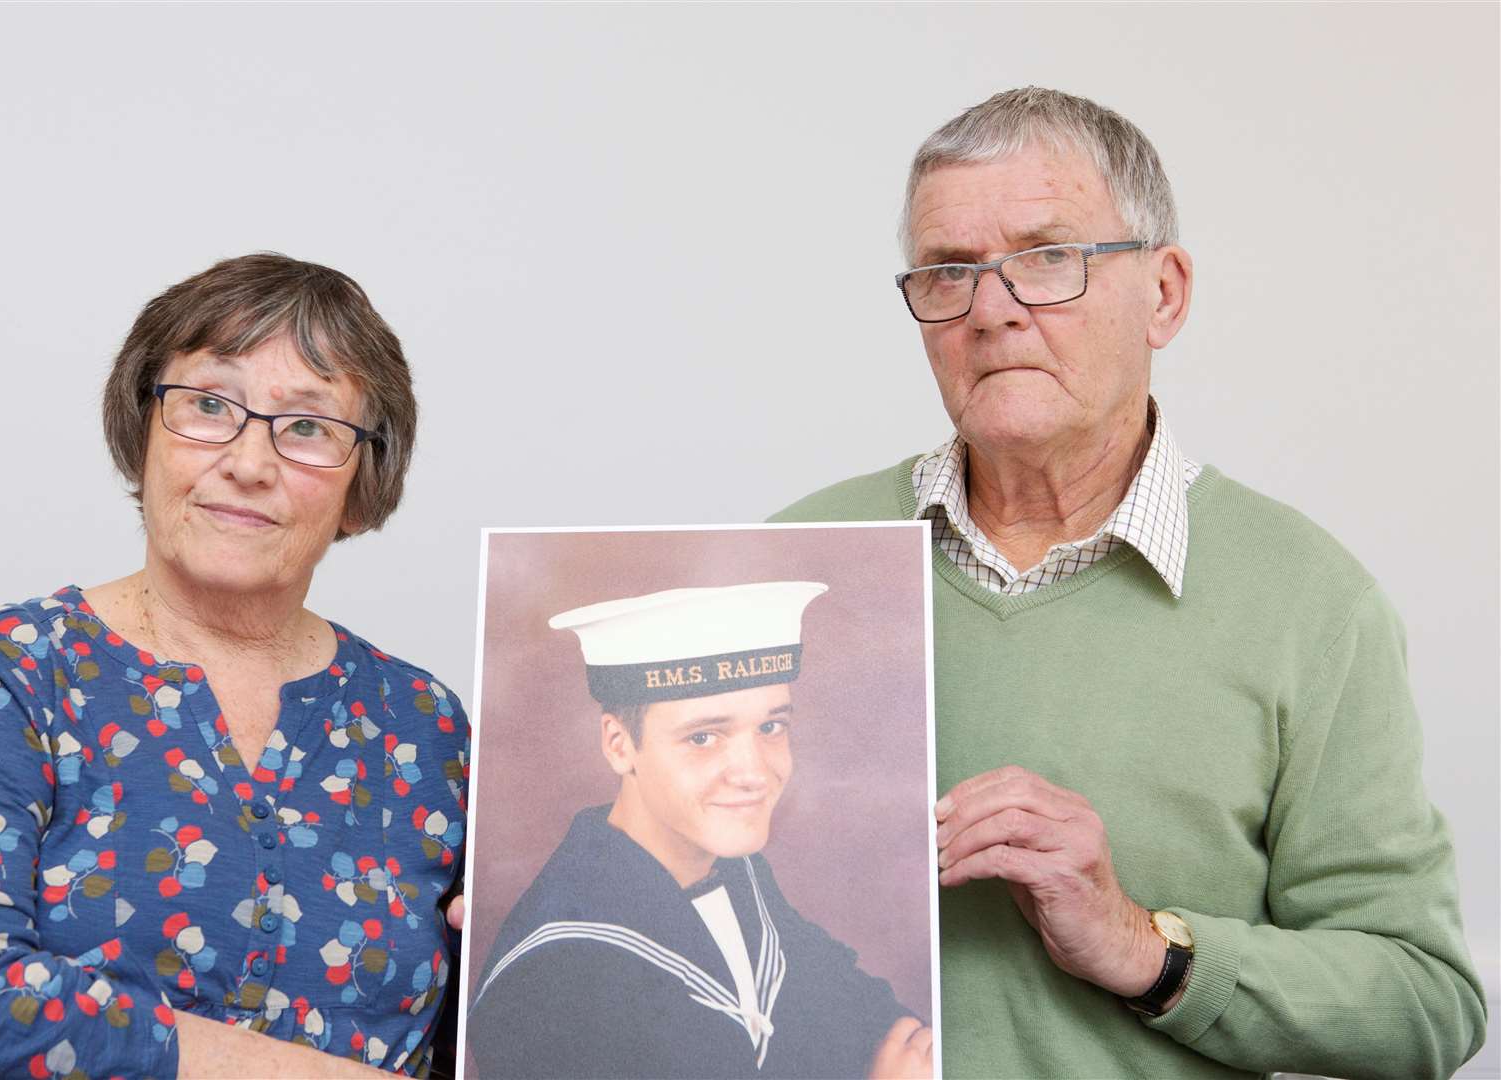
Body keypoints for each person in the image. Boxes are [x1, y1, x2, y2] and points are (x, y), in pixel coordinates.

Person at [772, 87, 1488, 1078]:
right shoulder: (793, 563)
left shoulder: (1312, 606)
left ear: (1165, 294)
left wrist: (1143, 948)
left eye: (1046, 259)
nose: (990, 312)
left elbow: (1426, 1004)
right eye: (948, 272)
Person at [0, 254, 470, 1078]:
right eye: (209, 404)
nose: (250, 462)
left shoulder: (426, 725)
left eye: (309, 426)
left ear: (361, 485)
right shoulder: (6, 669)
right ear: (142, 434)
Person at [466, 582, 933, 1080]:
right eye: (704, 737)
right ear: (620, 745)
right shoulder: (553, 980)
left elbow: (885, 1026)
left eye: (771, 727)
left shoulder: (739, 875)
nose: (753, 774)